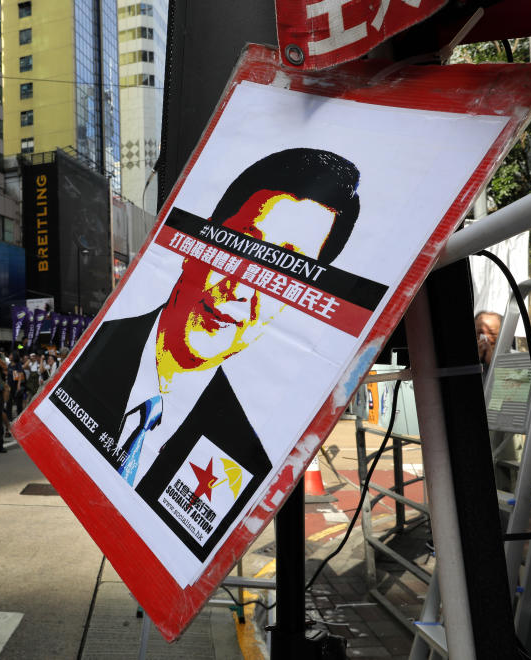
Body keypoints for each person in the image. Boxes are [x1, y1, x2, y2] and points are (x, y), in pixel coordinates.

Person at [49, 148, 362, 556]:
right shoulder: (87, 364)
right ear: (198, 243)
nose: (240, 290)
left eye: (284, 270)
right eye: (240, 246)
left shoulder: (244, 447)